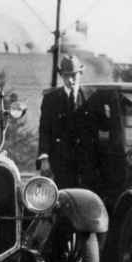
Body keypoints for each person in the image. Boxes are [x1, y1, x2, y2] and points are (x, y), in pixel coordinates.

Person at [37, 54, 101, 190]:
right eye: (67, 76)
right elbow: (44, 130)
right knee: (62, 198)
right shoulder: (50, 99)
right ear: (61, 76)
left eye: (74, 75)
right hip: (60, 161)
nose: (71, 80)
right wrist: (44, 158)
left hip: (85, 162)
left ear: (80, 74)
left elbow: (102, 127)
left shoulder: (92, 97)